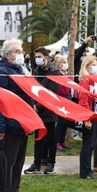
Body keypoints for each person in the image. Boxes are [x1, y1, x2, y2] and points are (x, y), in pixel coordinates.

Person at [0, 38, 32, 192]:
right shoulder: (2, 71)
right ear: (7, 55)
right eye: (17, 51)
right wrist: (0, 126)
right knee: (8, 159)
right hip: (10, 122)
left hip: (23, 122)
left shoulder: (20, 70)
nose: (21, 54)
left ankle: (14, 190)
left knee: (19, 159)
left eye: (21, 51)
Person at [24, 47, 60, 175]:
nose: (37, 59)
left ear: (46, 57)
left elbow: (51, 94)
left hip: (48, 110)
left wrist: (38, 107)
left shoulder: (54, 72)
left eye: (39, 57)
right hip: (37, 110)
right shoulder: (37, 71)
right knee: (38, 138)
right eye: (36, 57)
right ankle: (37, 163)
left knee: (50, 138)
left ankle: (51, 163)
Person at [78, 55, 97, 179]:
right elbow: (83, 101)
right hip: (90, 116)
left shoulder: (95, 81)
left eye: (96, 65)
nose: (96, 67)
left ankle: (88, 170)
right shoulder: (85, 81)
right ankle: (85, 172)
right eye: (93, 65)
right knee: (88, 145)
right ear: (87, 66)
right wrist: (87, 118)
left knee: (92, 144)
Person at [54, 54, 72, 151]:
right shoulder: (58, 75)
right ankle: (56, 141)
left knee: (65, 122)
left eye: (66, 62)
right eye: (63, 62)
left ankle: (62, 140)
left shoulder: (68, 75)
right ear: (59, 64)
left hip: (68, 98)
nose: (65, 64)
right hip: (60, 98)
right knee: (61, 122)